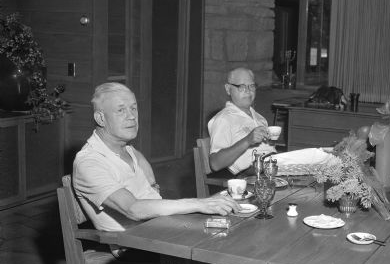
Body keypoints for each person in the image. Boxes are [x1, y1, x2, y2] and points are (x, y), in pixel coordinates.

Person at [73, 82, 239, 235]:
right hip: (134, 247)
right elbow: (133, 209)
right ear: (100, 118)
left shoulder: (129, 150)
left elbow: (152, 191)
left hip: (159, 230)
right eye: (121, 110)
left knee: (234, 230)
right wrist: (200, 203)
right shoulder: (89, 162)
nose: (131, 116)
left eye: (133, 108)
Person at [208, 67, 275, 174]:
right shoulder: (223, 119)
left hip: (271, 168)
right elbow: (215, 164)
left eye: (252, 86)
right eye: (241, 87)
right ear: (228, 89)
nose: (248, 91)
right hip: (248, 176)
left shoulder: (260, 118)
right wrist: (248, 140)